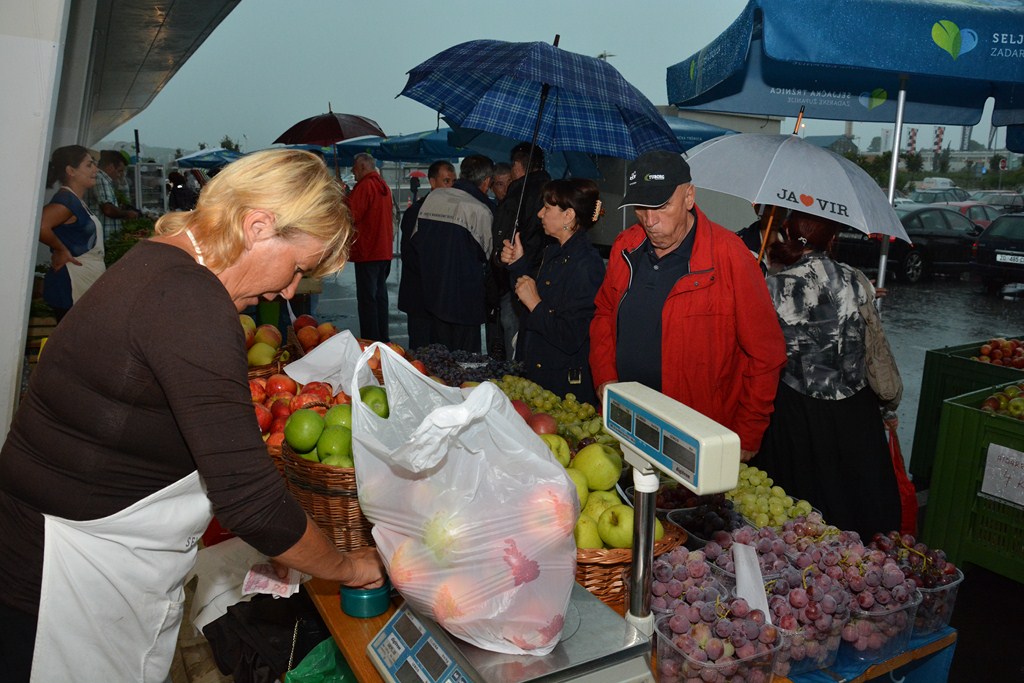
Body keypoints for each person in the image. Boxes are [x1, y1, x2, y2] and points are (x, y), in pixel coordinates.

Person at [0, 149, 384, 683]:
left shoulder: (161, 264)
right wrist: (348, 566)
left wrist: (286, 543)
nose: (290, 290)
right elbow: (248, 497)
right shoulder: (191, 305)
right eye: (298, 268)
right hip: (69, 577)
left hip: (72, 550)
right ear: (256, 226)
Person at [589, 150, 787, 461]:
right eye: (641, 207)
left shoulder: (730, 257)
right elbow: (603, 314)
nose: (650, 220)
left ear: (689, 196)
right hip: (628, 419)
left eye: (662, 206)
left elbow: (766, 355)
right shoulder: (626, 246)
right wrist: (605, 377)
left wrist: (748, 433)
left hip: (696, 435)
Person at [754, 211, 902, 540]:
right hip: (855, 409)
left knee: (797, 512)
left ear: (787, 233)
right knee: (856, 506)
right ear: (831, 238)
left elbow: (760, 354)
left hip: (795, 410)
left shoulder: (773, 285)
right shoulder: (856, 278)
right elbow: (873, 343)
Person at [500, 179, 606, 405]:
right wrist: (518, 265)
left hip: (561, 389)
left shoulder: (586, 264)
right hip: (537, 376)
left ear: (568, 216)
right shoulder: (553, 252)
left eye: (547, 208)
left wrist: (535, 304)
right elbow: (527, 303)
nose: (540, 214)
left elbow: (570, 336)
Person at [412, 155, 495, 352]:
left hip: (433, 298)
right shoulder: (481, 210)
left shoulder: (432, 198)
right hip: (466, 304)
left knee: (439, 364)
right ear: (486, 182)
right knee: (465, 368)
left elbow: (416, 243)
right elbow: (490, 256)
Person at [491, 143, 551, 358]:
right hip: (546, 277)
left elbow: (502, 239)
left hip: (518, 276)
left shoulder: (518, 192)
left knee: (515, 339)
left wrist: (500, 262)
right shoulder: (551, 189)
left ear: (517, 165)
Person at [38, 145, 107, 322]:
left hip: (82, 280)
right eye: (89, 165)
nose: (95, 170)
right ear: (71, 170)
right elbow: (41, 225)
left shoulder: (75, 200)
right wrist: (60, 249)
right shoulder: (66, 200)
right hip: (72, 283)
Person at [397, 160, 456, 350]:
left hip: (443, 301)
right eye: (446, 181)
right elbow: (410, 255)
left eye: (453, 181)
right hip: (420, 299)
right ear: (432, 182)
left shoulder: (456, 212)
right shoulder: (416, 212)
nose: (451, 186)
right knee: (420, 355)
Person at [347, 152, 394, 342]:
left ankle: (370, 341)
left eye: (355, 168)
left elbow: (351, 216)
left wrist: (344, 198)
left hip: (368, 251)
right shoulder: (383, 186)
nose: (353, 171)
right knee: (380, 298)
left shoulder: (365, 186)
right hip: (383, 251)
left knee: (368, 301)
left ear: (364, 167)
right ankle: (382, 339)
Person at [92, 149, 139, 241]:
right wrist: (127, 214)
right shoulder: (100, 179)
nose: (120, 175)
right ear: (110, 166)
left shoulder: (105, 180)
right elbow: (108, 209)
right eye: (119, 171)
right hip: (104, 239)